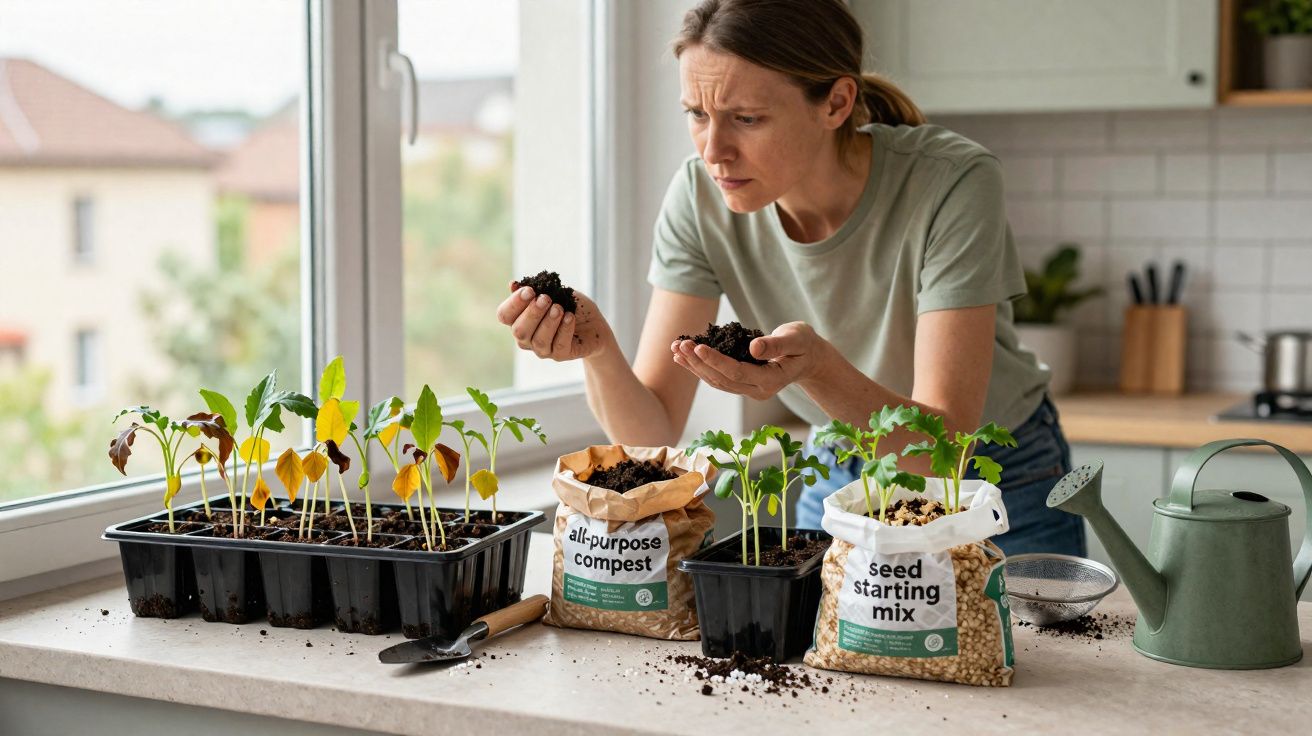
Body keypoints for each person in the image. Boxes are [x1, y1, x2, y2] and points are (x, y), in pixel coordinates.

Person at [495, 0, 1084, 556]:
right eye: (697, 115)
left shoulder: (952, 183)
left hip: (989, 475)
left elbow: (940, 450)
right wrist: (596, 350)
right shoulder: (699, 198)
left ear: (835, 103)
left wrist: (819, 369)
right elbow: (655, 429)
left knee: (1023, 662)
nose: (714, 150)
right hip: (839, 463)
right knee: (821, 664)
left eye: (746, 118)